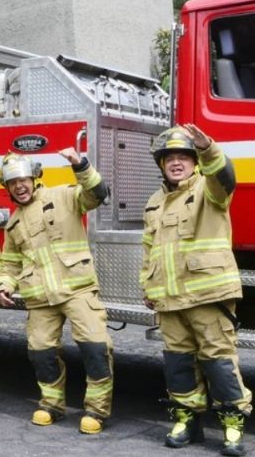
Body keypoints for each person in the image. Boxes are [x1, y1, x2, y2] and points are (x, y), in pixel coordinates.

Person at [140, 125, 251, 456]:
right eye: (169, 158)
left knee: (218, 362)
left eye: (183, 157)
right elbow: (150, 249)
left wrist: (208, 148)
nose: (176, 163)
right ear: (161, 164)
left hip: (208, 297)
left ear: (194, 161)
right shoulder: (154, 202)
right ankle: (187, 421)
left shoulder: (209, 188)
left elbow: (225, 175)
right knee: (178, 364)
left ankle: (233, 426)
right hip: (170, 300)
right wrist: (148, 284)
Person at [0, 148, 112, 434]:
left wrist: (81, 165)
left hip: (77, 289)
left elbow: (98, 194)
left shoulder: (65, 196)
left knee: (96, 348)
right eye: (12, 182)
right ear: (7, 187)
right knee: (41, 351)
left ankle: (97, 411)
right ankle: (51, 405)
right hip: (40, 297)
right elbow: (9, 264)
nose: (19, 186)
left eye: (23, 179)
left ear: (35, 178)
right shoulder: (13, 224)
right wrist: (3, 285)